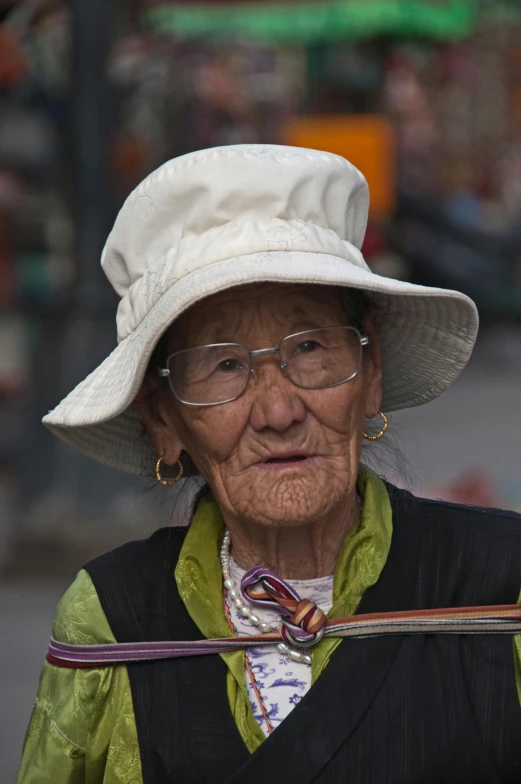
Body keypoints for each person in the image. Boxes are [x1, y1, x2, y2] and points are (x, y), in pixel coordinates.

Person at [17, 145, 521, 784]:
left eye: (309, 347)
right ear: (164, 422)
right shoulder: (114, 622)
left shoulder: (500, 587)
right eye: (224, 364)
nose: (278, 410)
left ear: (370, 377)